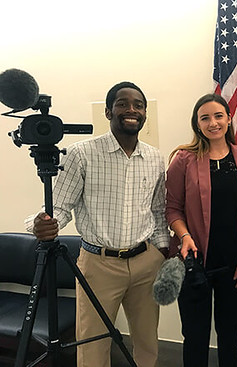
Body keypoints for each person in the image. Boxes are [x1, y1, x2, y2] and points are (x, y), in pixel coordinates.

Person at [25, 81, 169, 367]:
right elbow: (61, 207)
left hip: (145, 263)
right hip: (99, 265)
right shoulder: (81, 154)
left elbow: (157, 210)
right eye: (122, 103)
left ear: (144, 114)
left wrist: (162, 251)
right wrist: (38, 224)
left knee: (147, 342)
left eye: (138, 105)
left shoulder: (154, 157)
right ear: (108, 111)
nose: (131, 110)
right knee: (93, 344)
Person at [166, 93, 237, 367]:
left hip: (234, 264)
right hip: (194, 261)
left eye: (218, 116)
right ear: (197, 124)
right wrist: (185, 236)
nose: (213, 123)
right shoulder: (183, 159)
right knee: (195, 337)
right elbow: (172, 209)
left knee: (230, 336)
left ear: (229, 119)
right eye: (205, 118)